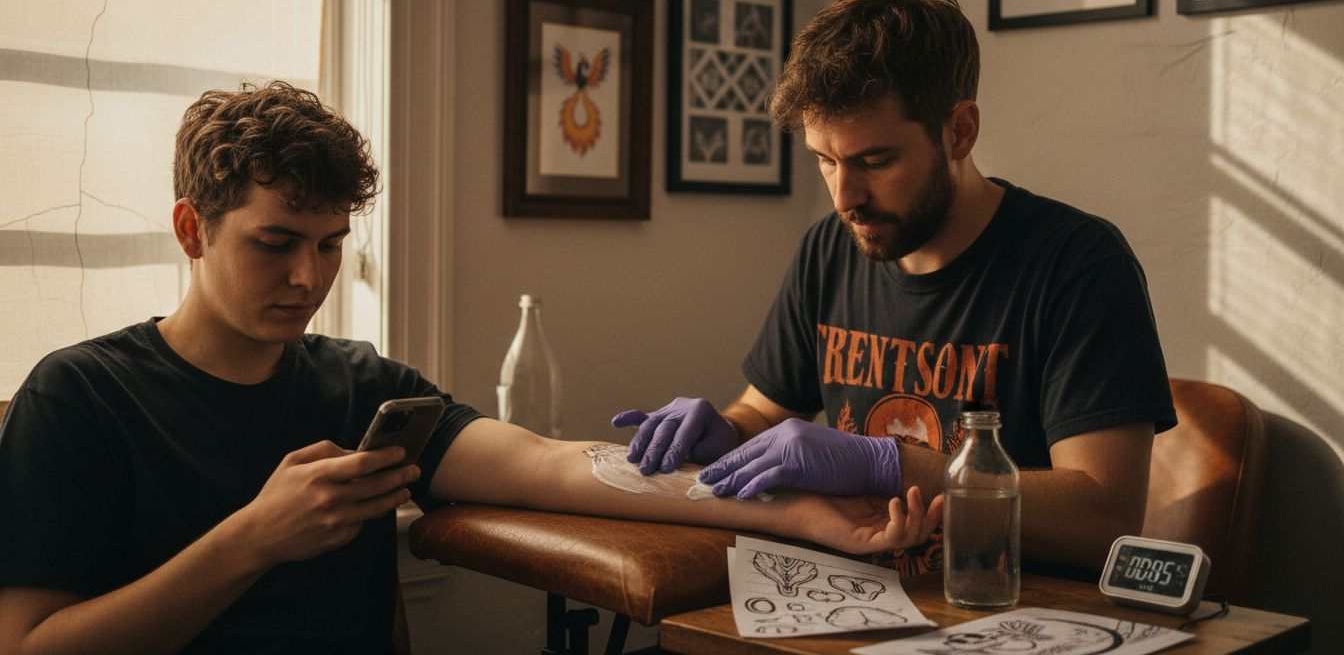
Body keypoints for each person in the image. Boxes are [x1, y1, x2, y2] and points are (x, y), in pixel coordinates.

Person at [0, 81, 941, 654]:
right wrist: (255, 537)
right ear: (189, 229)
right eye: (277, 242)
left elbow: (548, 462)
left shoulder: (360, 385)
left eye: (331, 245)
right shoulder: (81, 397)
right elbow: (32, 646)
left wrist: (791, 509)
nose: (309, 277)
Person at [613, 0, 1176, 576]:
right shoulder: (830, 249)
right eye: (824, 160)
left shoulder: (1078, 264)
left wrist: (890, 464)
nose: (844, 197)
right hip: (851, 596)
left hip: (1007, 611)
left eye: (875, 162)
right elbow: (765, 413)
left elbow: (1105, 517)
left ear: (959, 132)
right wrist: (726, 431)